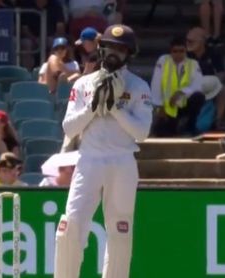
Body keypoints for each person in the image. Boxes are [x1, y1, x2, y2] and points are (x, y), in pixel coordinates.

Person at [54, 24, 153, 278]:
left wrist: (115, 108)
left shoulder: (139, 86)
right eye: (109, 47)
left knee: (120, 230)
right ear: (100, 49)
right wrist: (92, 106)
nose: (113, 53)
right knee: (70, 226)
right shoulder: (85, 84)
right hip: (89, 160)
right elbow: (69, 128)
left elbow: (141, 133)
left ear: (129, 53)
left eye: (120, 49)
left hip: (122, 162)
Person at [150, 35, 205, 137]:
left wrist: (181, 92)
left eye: (181, 51)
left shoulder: (193, 64)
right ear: (170, 51)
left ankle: (190, 125)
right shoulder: (163, 61)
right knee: (164, 133)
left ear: (186, 51)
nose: (178, 54)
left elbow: (198, 85)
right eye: (175, 51)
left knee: (199, 97)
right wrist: (159, 106)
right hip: (167, 107)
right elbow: (156, 84)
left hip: (183, 104)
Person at [186, 26, 225, 130]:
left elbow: (221, 74)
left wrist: (212, 84)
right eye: (186, 41)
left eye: (191, 41)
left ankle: (218, 120)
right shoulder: (185, 55)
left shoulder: (213, 54)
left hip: (209, 87)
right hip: (189, 87)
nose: (187, 44)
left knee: (222, 89)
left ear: (202, 42)